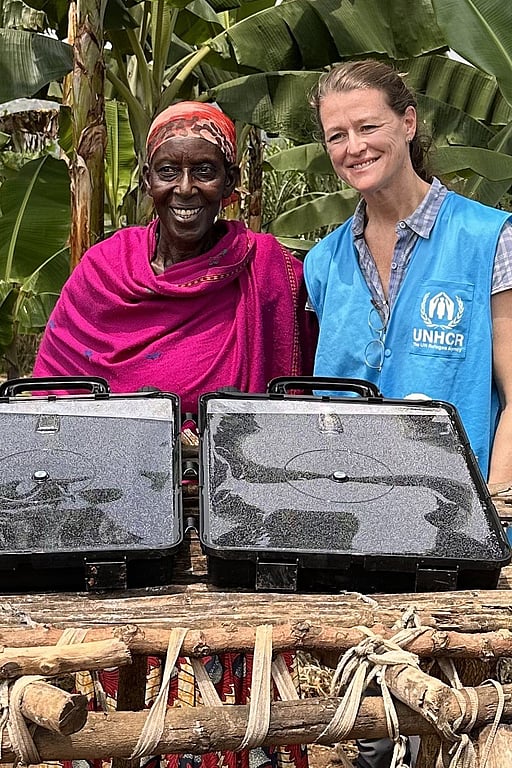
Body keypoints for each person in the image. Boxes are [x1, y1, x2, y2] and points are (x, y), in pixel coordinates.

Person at [33, 100, 316, 768]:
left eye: (205, 171)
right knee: (117, 704)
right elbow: (52, 399)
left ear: (229, 182)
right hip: (117, 523)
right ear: (146, 179)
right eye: (169, 171)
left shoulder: (266, 268)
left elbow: (293, 395)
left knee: (233, 713)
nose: (186, 189)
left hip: (238, 520)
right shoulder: (104, 272)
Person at [303, 59, 512, 768]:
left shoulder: (488, 238)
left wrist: (495, 514)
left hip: (460, 539)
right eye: (337, 135)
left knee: (461, 727)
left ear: (409, 122)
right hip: (354, 539)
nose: (353, 146)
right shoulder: (324, 262)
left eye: (368, 126)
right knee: (367, 733)